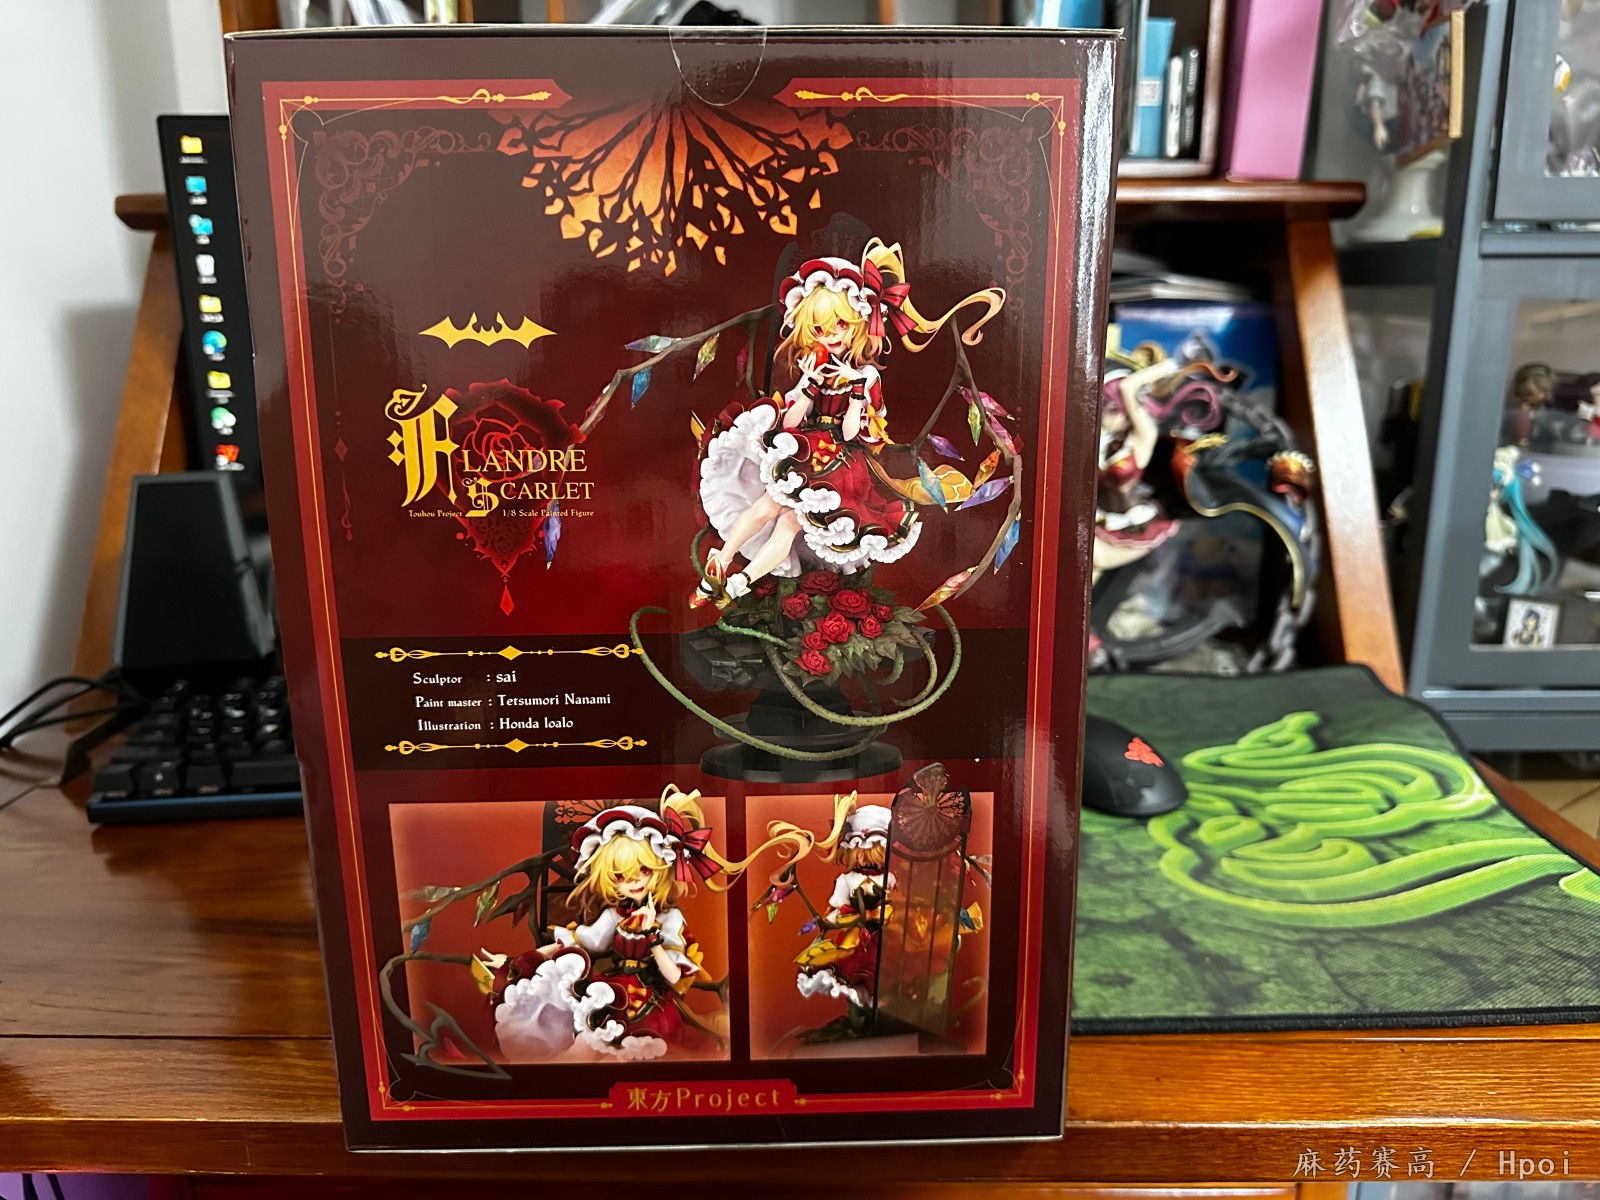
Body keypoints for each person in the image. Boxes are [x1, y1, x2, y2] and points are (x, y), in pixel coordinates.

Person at [694, 238, 1004, 608]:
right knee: (767, 506)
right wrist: (810, 384)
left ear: (857, 324)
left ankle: (741, 582)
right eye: (820, 329)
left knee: (789, 524)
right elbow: (790, 423)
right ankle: (721, 561)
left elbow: (850, 433)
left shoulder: (867, 377)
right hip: (802, 451)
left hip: (840, 465)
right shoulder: (812, 369)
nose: (831, 336)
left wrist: (856, 392)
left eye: (840, 324)